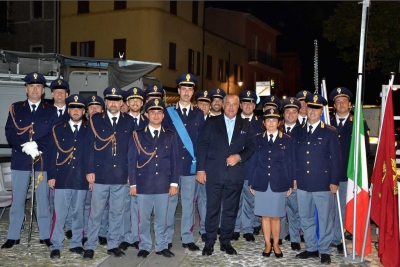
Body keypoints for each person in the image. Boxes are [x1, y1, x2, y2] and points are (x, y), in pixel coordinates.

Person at [2, 72, 58, 249]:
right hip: (20, 160)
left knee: (43, 200)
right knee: (17, 200)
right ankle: (13, 236)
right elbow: (10, 132)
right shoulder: (16, 108)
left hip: (41, 160)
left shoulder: (51, 110)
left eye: (39, 87)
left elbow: (53, 134)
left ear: (43, 91)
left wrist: (37, 146)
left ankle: (44, 235)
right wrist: (24, 146)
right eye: (32, 86)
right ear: (26, 89)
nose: (35, 89)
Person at [196, 94, 255, 256]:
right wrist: (200, 169)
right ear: (222, 105)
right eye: (228, 104)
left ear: (239, 107)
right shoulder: (212, 122)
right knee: (212, 209)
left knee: (230, 210)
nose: (230, 107)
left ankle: (226, 242)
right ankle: (209, 243)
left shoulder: (246, 124)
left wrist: (239, 157)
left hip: (235, 175)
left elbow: (251, 147)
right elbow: (202, 146)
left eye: (234, 104)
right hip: (214, 174)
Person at [83, 86, 135, 260]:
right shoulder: (96, 120)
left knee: (117, 212)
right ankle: (90, 245)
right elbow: (88, 147)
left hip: (121, 175)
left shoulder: (128, 121)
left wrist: (130, 173)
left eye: (117, 100)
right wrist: (89, 170)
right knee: (96, 212)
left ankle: (113, 244)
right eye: (110, 100)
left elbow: (131, 150)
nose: (113, 103)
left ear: (122, 103)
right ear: (105, 102)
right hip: (100, 174)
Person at [291, 93, 341, 265]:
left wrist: (334, 181)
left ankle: (325, 250)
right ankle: (311, 248)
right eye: (310, 108)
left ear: (321, 111)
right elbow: (294, 158)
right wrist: (294, 178)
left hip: (323, 183)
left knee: (326, 218)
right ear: (307, 109)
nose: (312, 111)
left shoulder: (329, 132)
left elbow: (336, 159)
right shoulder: (298, 132)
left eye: (316, 109)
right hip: (303, 182)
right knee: (305, 217)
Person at [128, 99, 179, 258]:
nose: (156, 115)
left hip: (163, 183)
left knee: (162, 219)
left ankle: (162, 246)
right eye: (153, 112)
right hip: (143, 183)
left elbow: (174, 161)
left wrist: (174, 183)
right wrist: (133, 184)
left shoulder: (170, 135)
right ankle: (144, 245)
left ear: (163, 116)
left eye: (159, 113)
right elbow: (131, 161)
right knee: (143, 219)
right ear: (147, 115)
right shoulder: (137, 135)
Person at [163, 73, 205, 251]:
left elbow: (202, 144)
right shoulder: (168, 113)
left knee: (188, 203)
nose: (187, 92)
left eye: (190, 89)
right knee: (170, 203)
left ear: (193, 92)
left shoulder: (199, 114)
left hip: (190, 166)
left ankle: (187, 238)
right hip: (171, 166)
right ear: (178, 91)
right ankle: (166, 237)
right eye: (184, 88)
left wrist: (201, 168)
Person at [249, 108, 294, 258]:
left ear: (279, 122)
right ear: (264, 123)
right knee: (264, 216)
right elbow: (253, 162)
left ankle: (276, 244)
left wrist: (289, 184)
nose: (271, 123)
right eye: (268, 120)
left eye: (274, 120)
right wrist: (252, 182)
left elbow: (290, 163)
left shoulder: (286, 139)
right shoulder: (258, 139)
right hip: (261, 181)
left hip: (279, 182)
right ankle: (267, 243)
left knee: (276, 216)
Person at [48, 94, 89, 259]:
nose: (76, 111)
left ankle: (76, 243)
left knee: (78, 213)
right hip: (62, 177)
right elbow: (52, 154)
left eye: (79, 108)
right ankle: (56, 245)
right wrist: (51, 175)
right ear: (69, 110)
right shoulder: (58, 129)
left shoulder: (89, 129)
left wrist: (91, 176)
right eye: (73, 108)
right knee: (60, 213)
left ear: (84, 111)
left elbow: (91, 154)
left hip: (81, 178)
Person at [329, 86, 369, 253]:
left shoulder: (358, 124)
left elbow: (365, 149)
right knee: (328, 208)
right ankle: (327, 236)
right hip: (328, 174)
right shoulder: (326, 123)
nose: (341, 104)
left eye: (344, 101)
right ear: (334, 105)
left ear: (350, 104)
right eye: (338, 102)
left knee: (342, 209)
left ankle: (337, 238)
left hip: (348, 173)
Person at [119, 87, 148, 251]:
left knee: (139, 206)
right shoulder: (121, 121)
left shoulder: (147, 121)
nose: (135, 103)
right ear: (127, 103)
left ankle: (137, 237)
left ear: (142, 103)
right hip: (124, 170)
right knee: (124, 205)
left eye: (138, 100)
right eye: (132, 100)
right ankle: (125, 236)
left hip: (142, 171)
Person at [233, 90, 263, 242]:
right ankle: (236, 228)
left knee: (250, 201)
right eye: (245, 103)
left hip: (253, 168)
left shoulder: (260, 124)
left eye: (251, 103)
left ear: (254, 105)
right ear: (241, 105)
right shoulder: (233, 121)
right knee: (236, 200)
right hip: (236, 168)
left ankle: (249, 229)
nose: (248, 105)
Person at [49, 78, 73, 239]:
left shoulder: (73, 112)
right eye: (56, 91)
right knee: (53, 200)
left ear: (67, 94)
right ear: (52, 94)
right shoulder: (45, 111)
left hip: (69, 163)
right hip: (50, 160)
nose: (59, 94)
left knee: (71, 199)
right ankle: (55, 228)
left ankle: (70, 227)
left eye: (62, 92)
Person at [84, 95, 108, 246]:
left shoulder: (104, 126)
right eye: (91, 107)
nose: (94, 110)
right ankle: (87, 232)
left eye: (97, 107)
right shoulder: (82, 125)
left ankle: (103, 232)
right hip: (84, 171)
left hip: (100, 172)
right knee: (86, 205)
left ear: (102, 109)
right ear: (86, 111)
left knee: (102, 205)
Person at [281, 97, 304, 251]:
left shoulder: (303, 131)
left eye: (293, 111)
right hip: (278, 176)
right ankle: (279, 236)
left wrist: (295, 178)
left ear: (298, 113)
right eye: (287, 111)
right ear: (283, 114)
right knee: (279, 209)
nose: (290, 114)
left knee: (295, 210)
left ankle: (295, 237)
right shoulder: (276, 129)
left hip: (295, 177)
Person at [194, 90, 212, 241]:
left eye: (206, 103)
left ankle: (205, 228)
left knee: (204, 198)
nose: (203, 106)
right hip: (190, 165)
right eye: (201, 103)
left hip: (208, 166)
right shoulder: (191, 118)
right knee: (190, 200)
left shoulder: (215, 121)